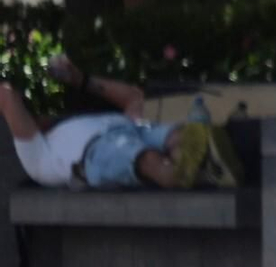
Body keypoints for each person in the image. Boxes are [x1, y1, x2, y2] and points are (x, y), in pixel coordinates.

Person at [0, 56, 210, 190]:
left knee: (174, 132)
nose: (40, 115)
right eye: (30, 113)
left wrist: (81, 80)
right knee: (148, 160)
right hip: (96, 152)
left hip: (130, 128)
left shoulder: (70, 125)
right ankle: (183, 173)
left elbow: (134, 97)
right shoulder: (37, 157)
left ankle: (199, 167)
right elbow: (6, 96)